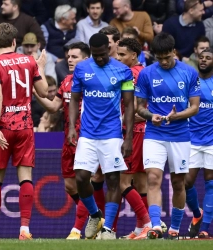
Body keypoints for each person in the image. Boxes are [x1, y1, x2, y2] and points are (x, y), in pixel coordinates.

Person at [0, 23, 48, 240]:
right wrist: (40, 67)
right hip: (24, 125)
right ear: (15, 42)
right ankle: (25, 230)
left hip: (3, 126)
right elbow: (44, 92)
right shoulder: (29, 61)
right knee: (25, 178)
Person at [68, 33, 134, 240]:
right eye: (95, 55)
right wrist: (71, 127)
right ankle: (95, 215)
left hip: (112, 133)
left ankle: (108, 230)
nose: (99, 58)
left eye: (102, 54)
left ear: (109, 48)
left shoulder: (123, 70)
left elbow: (130, 105)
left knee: (113, 180)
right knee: (80, 177)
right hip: (87, 133)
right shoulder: (82, 68)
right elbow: (74, 99)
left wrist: (129, 136)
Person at [135, 32, 200, 240]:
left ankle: (174, 229)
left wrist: (176, 116)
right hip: (154, 133)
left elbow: (195, 107)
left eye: (167, 57)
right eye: (159, 57)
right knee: (153, 177)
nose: (163, 61)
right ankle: (156, 226)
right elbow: (139, 107)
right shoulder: (146, 74)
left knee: (178, 182)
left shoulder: (189, 73)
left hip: (180, 134)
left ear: (174, 52)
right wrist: (150, 115)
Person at [34, 42, 95, 239]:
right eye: (68, 56)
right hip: (68, 139)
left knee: (83, 182)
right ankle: (95, 216)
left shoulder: (94, 81)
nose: (69, 60)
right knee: (70, 186)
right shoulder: (67, 81)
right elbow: (53, 107)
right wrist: (35, 90)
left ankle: (77, 229)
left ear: (86, 59)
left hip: (88, 140)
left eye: (74, 57)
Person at [116, 38, 151, 239]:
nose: (118, 58)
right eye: (118, 54)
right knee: (140, 182)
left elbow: (138, 109)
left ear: (134, 56)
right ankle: (140, 229)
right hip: (142, 131)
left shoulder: (132, 74)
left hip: (135, 132)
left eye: (122, 55)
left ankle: (147, 223)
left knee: (123, 181)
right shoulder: (142, 72)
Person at [184, 48, 213, 239]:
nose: (203, 60)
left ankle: (205, 230)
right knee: (186, 183)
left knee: (211, 183)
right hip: (191, 140)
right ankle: (196, 214)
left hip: (211, 141)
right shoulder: (190, 82)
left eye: (208, 58)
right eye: (201, 58)